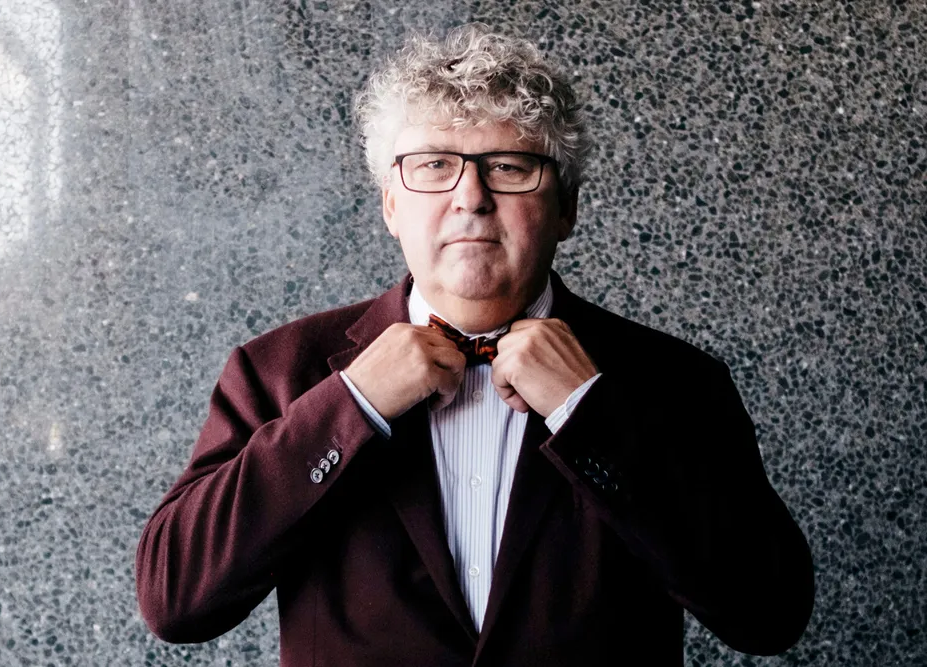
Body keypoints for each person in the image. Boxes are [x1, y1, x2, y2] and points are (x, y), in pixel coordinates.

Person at [135, 24, 814, 666]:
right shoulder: (278, 371)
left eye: (509, 166)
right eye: (434, 165)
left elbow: (770, 612)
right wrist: (352, 405)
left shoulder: (678, 381)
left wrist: (588, 413)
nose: (471, 197)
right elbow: (174, 599)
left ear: (567, 207)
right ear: (391, 204)